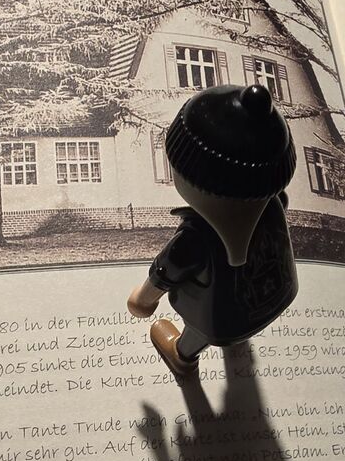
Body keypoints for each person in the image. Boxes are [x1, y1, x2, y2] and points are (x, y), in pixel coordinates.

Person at [127, 83, 298, 376]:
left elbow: (166, 272)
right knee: (236, 319)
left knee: (199, 332)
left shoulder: (196, 238)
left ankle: (182, 357)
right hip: (276, 294)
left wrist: (141, 301)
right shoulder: (271, 201)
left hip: (222, 315)